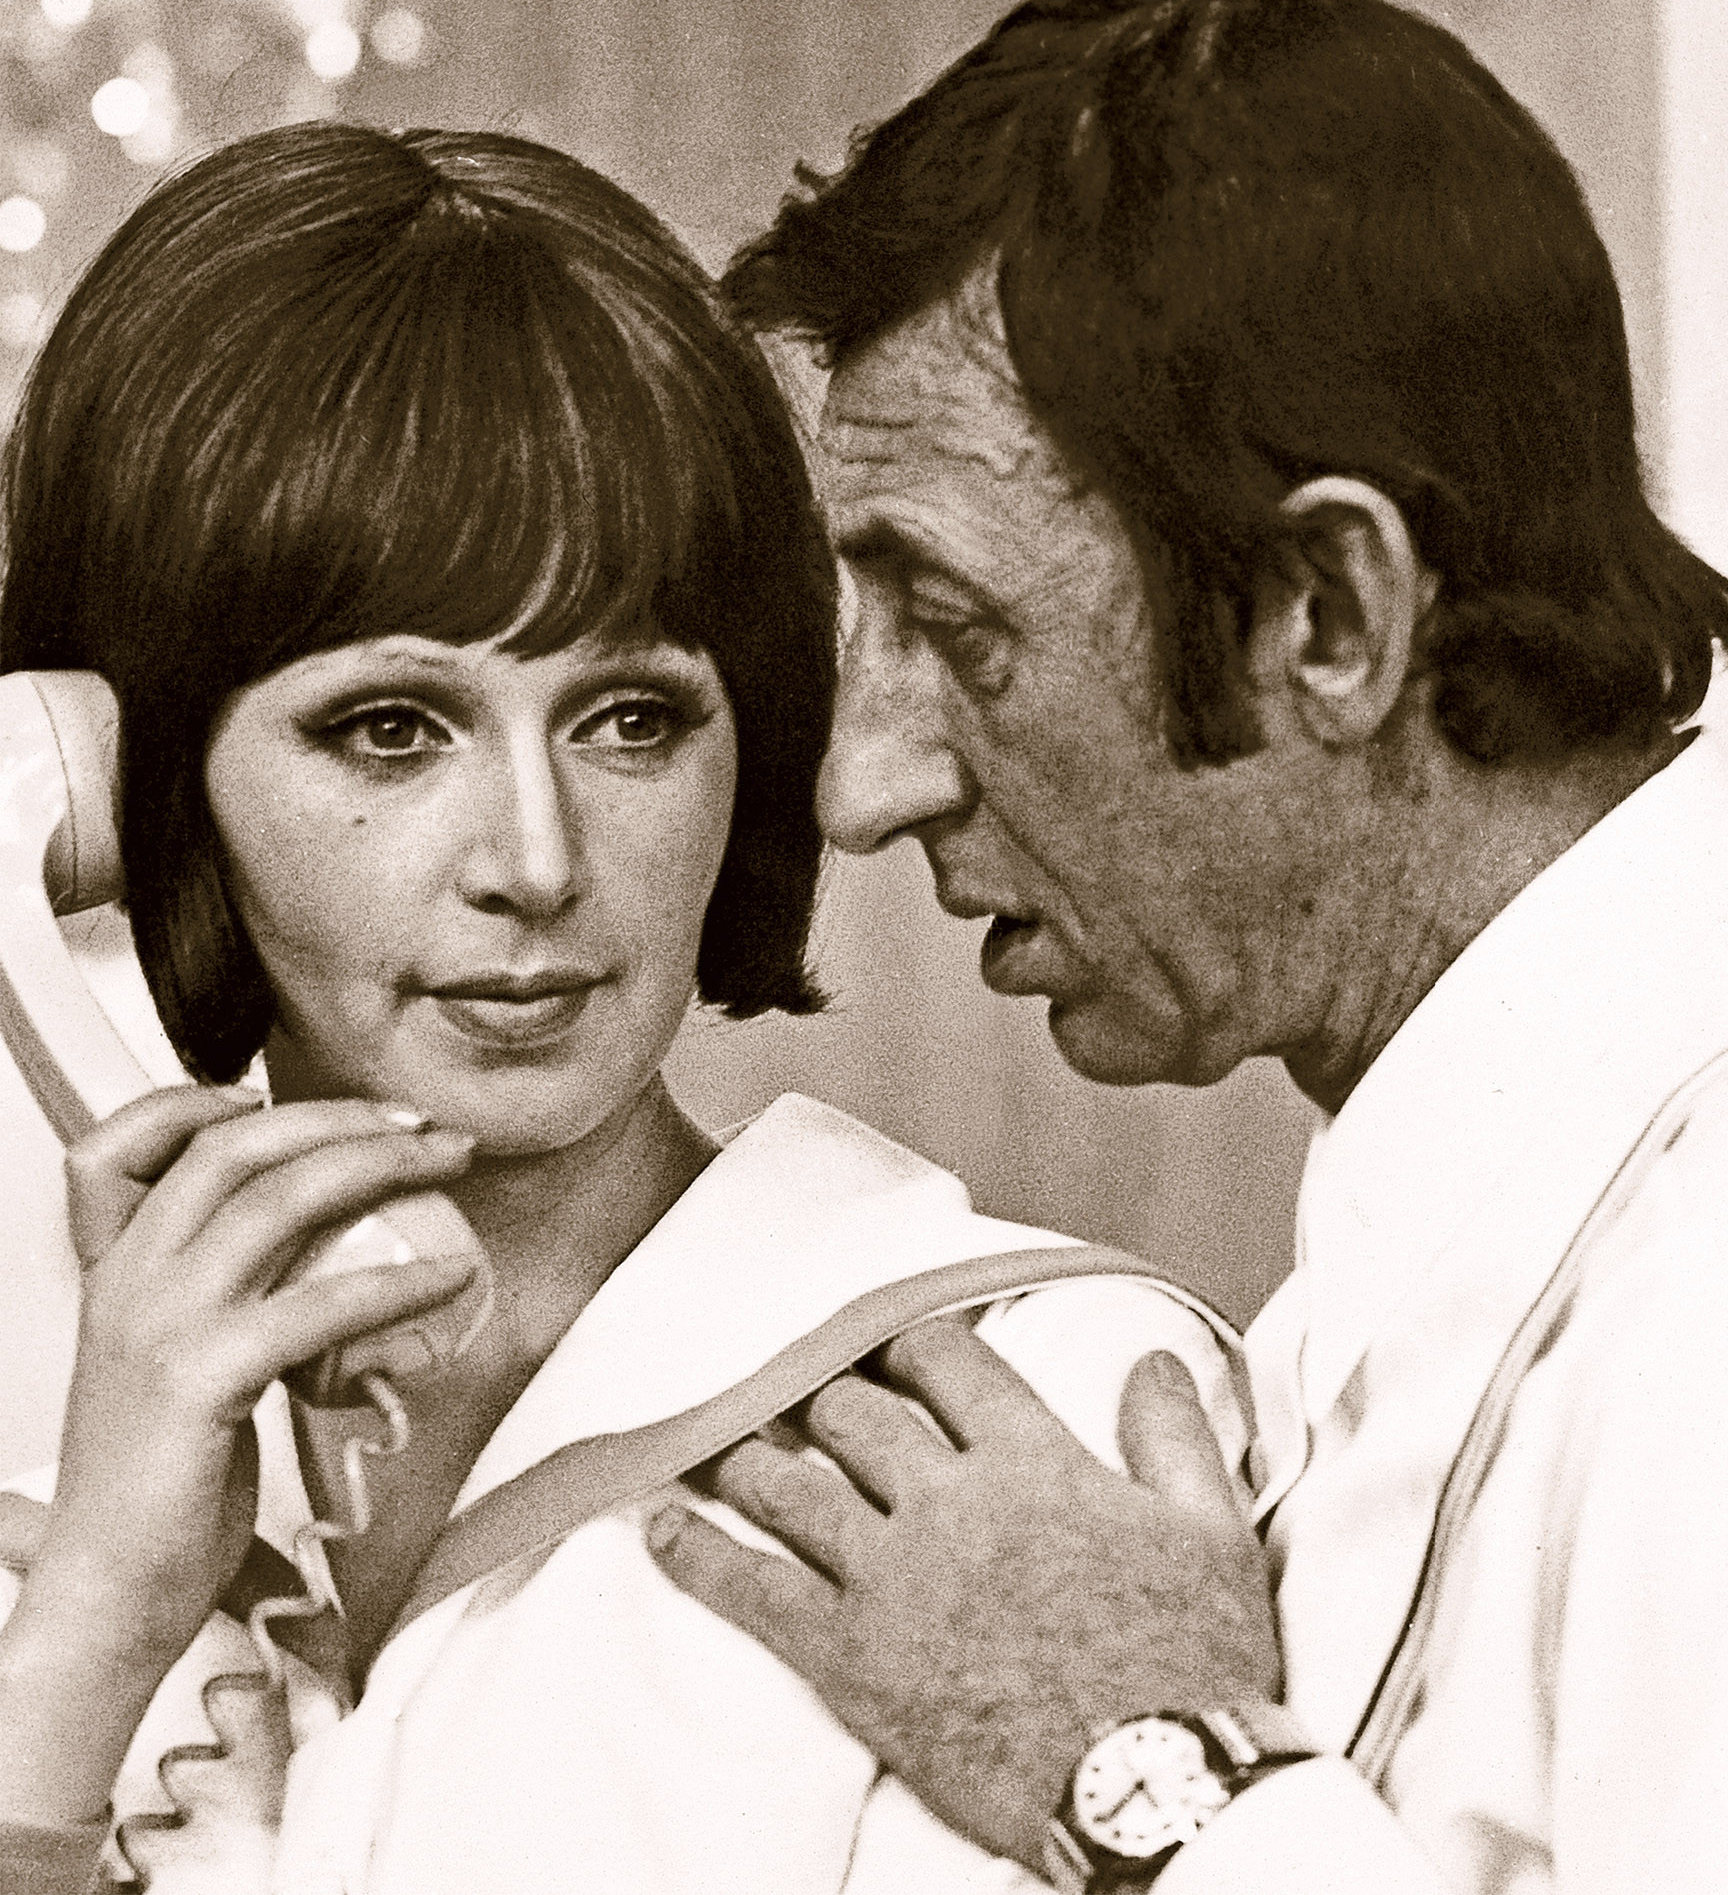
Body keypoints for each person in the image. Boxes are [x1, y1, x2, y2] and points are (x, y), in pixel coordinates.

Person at [645, 0, 1728, 1892]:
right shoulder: (1475, 1256)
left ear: (1334, 615)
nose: (863, 786)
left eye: (954, 627)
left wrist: (1140, 1769)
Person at [0, 121, 1244, 1895]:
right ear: (132, 781)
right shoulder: (67, 1474)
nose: (535, 860)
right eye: (390, 728)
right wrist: (92, 1629)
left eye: (633, 717)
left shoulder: (1023, 1403)